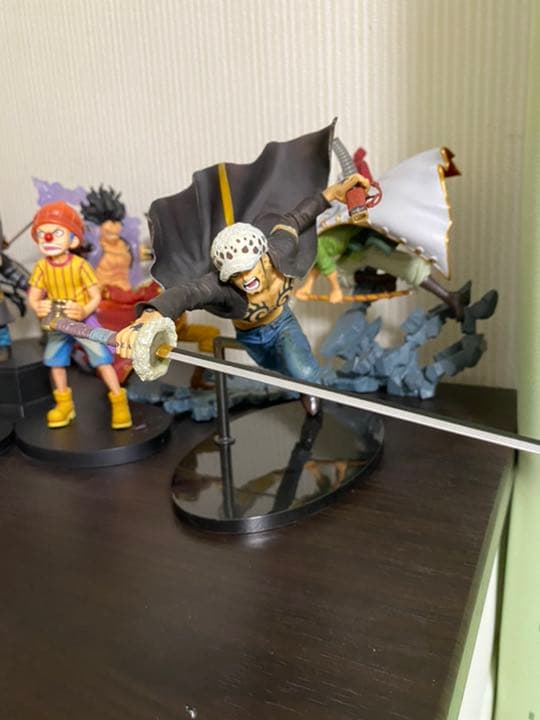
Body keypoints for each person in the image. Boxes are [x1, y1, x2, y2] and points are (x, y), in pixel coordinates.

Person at [115, 174, 364, 414]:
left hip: (283, 322)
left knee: (304, 371)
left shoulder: (281, 248)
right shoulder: (222, 286)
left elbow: (297, 218)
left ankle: (309, 388)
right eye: (236, 273)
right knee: (278, 370)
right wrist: (149, 316)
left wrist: (333, 193)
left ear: (263, 258)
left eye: (248, 268)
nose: (244, 279)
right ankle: (297, 383)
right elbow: (187, 293)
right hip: (251, 336)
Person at [27, 201, 132, 429]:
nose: (48, 238)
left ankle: (119, 401)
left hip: (83, 322)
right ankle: (64, 404)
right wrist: (38, 307)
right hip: (57, 322)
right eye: (42, 234)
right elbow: (33, 297)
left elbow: (95, 296)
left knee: (102, 361)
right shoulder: (41, 268)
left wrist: (83, 310)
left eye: (57, 233)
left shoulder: (80, 266)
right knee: (55, 362)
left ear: (73, 240)